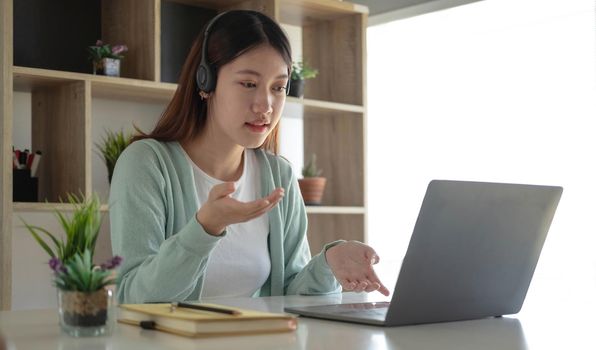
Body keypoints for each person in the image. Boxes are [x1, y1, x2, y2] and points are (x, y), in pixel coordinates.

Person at [109, 10, 389, 304]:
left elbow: (290, 294)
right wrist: (205, 228)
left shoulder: (278, 174)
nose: (265, 106)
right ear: (206, 83)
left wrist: (328, 263)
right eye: (249, 84)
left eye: (278, 87)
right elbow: (133, 298)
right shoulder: (145, 164)